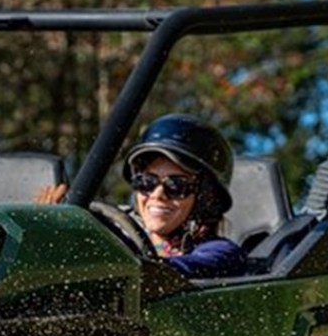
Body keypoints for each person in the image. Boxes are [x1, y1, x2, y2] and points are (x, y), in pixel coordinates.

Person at [38, 113, 247, 279]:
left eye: (176, 185)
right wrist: (52, 229)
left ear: (205, 198)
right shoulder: (116, 234)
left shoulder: (221, 253)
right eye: (147, 182)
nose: (158, 194)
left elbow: (162, 274)